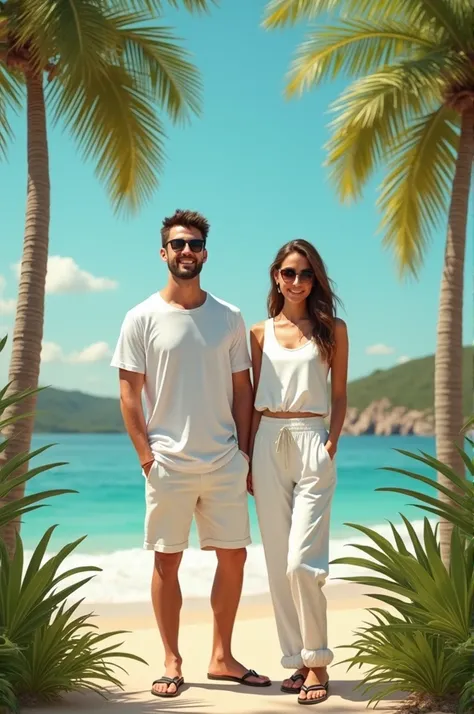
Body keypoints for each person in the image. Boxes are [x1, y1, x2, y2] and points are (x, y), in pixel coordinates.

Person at [111, 209, 270, 699]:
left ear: (205, 253)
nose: (186, 251)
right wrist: (146, 457)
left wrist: (243, 454)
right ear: (163, 252)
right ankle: (172, 660)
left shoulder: (229, 316)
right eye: (178, 244)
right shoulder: (140, 317)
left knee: (235, 558)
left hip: (223, 460)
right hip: (168, 464)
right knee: (167, 562)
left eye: (195, 244)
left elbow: (242, 392)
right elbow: (129, 394)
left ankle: (221, 657)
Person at [248, 239, 348, 706]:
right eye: (289, 272)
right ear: (276, 276)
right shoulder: (258, 333)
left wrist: (331, 442)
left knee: (301, 563)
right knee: (276, 562)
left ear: (315, 280)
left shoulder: (333, 330)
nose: (297, 281)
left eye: (306, 274)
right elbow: (249, 399)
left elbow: (341, 394)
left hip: (311, 439)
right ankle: (298, 660)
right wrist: (248, 456)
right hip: (267, 440)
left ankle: (319, 662)